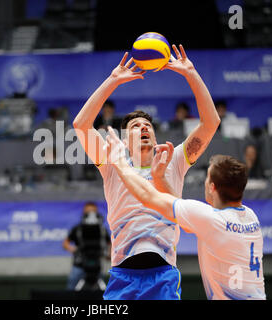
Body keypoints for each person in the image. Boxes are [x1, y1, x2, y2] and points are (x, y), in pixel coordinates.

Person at [73, 45, 221, 300]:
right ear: (125, 138)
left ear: (153, 136)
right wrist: (112, 80)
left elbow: (210, 124)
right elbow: (81, 125)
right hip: (122, 275)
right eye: (134, 126)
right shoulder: (112, 160)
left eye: (147, 125)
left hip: (162, 273)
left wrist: (191, 74)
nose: (142, 127)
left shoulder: (173, 160)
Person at [105, 126, 266, 300]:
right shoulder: (250, 217)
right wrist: (160, 178)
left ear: (212, 187)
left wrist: (119, 161)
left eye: (207, 178)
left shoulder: (210, 219)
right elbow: (181, 213)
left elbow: (147, 196)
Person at [63, 202, 111, 290]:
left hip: (97, 265)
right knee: (72, 286)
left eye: (93, 211)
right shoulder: (77, 229)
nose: (91, 215)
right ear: (84, 213)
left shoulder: (102, 230)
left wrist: (109, 254)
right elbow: (65, 243)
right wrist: (73, 249)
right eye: (88, 212)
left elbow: (110, 243)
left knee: (103, 288)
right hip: (79, 265)